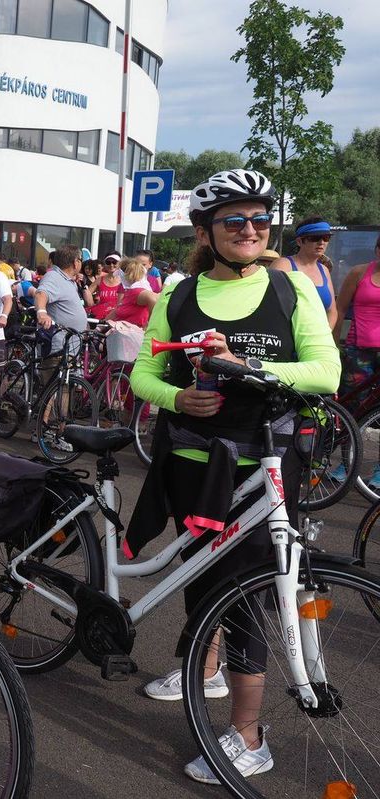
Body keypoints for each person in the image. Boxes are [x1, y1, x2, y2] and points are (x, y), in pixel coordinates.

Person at [127, 169, 339, 784]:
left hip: (264, 466)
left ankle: (248, 734)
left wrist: (245, 367)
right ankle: (208, 666)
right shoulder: (177, 296)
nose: (251, 230)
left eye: (260, 220)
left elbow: (325, 372)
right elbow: (145, 374)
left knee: (247, 595)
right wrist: (175, 400)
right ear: (205, 231)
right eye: (234, 221)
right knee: (198, 578)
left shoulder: (289, 290)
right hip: (193, 464)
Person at [334, 233, 380, 489]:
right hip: (358, 352)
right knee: (352, 410)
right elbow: (339, 310)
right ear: (377, 249)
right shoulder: (359, 273)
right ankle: (346, 464)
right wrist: (332, 344)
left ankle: (379, 471)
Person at [272, 217, 337, 331]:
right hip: (287, 341)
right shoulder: (283, 265)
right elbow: (270, 307)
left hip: (315, 344)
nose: (321, 242)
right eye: (315, 238)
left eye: (326, 238)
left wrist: (324, 337)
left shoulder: (324, 270)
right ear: (299, 241)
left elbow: (332, 311)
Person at [106, 256, 157, 328]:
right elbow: (116, 311)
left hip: (132, 336)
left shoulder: (136, 290)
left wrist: (149, 326)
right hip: (121, 334)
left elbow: (153, 299)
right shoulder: (131, 290)